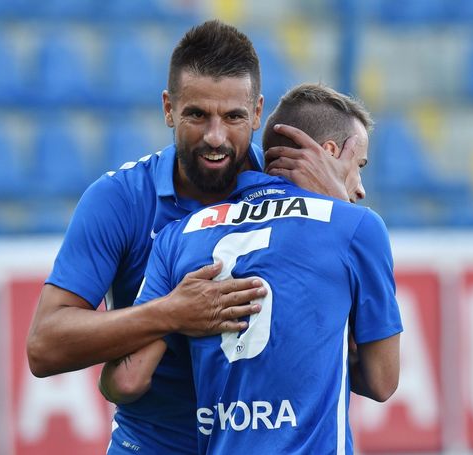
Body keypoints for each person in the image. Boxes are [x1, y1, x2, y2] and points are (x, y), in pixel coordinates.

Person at [26, 21, 354, 455]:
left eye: (233, 117)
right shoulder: (121, 200)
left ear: (257, 113)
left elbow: (362, 356)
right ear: (168, 108)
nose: (215, 137)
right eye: (197, 115)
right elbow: (44, 345)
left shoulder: (296, 192)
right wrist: (172, 313)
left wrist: (340, 216)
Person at [99, 83, 403, 455]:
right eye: (359, 166)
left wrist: (176, 319)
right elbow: (383, 380)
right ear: (328, 152)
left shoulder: (180, 234)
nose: (360, 189)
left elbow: (125, 382)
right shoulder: (357, 226)